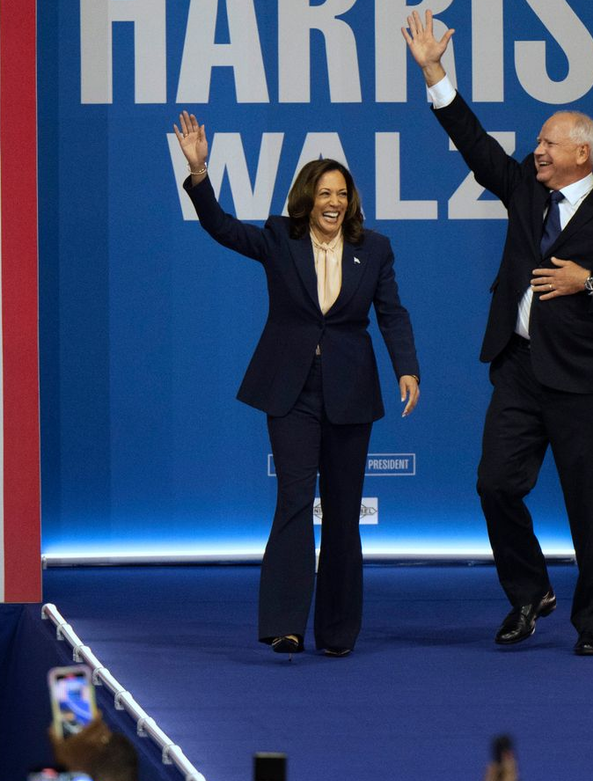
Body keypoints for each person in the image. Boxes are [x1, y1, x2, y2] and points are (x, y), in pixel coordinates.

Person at [402, 10, 593, 653]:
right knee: (495, 484)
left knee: (591, 510)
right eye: (538, 144)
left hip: (584, 380)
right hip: (518, 368)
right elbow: (473, 140)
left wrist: (589, 284)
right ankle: (529, 592)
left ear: (582, 153)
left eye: (548, 143)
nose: (536, 150)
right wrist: (435, 71)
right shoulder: (524, 188)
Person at [173, 111, 420, 657]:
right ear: (307, 197)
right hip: (292, 389)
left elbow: (392, 313)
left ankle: (337, 632)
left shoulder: (374, 248)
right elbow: (221, 227)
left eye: (343, 193)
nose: (334, 202)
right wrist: (199, 173)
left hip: (352, 391)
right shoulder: (279, 239)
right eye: (325, 192)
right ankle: (285, 624)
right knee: (292, 500)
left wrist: (407, 366)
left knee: (343, 509)